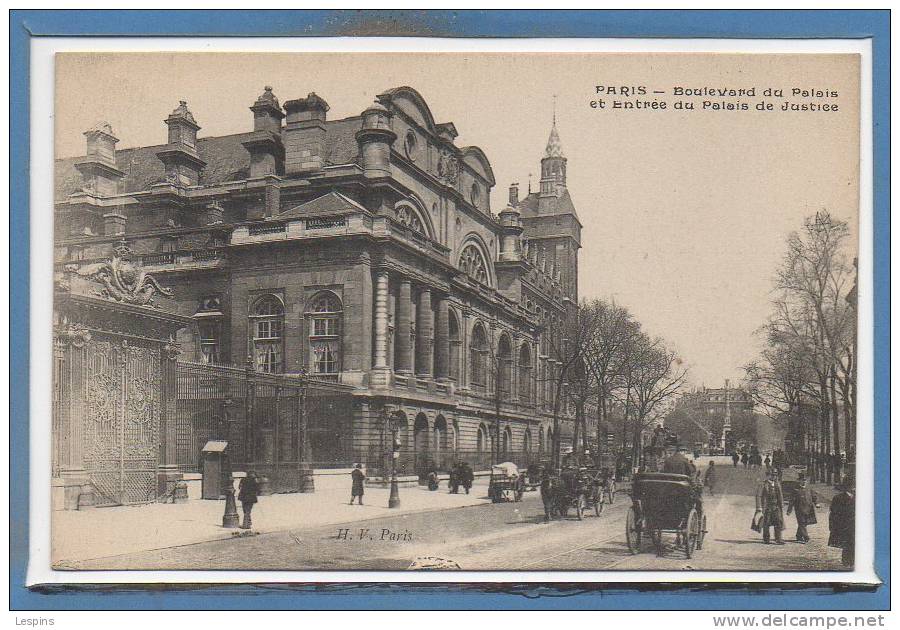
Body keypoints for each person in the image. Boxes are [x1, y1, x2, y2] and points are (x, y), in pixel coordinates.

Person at [829, 479, 855, 567]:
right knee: (847, 544)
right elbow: (833, 513)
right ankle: (847, 561)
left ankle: (852, 561)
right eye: (852, 486)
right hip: (844, 526)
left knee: (854, 543)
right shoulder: (838, 498)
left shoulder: (859, 497)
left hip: (855, 525)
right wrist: (833, 527)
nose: (854, 489)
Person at [786, 473, 818, 543]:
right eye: (802, 480)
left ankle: (799, 535)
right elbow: (791, 501)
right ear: (799, 481)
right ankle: (806, 537)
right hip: (799, 509)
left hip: (808, 509)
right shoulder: (795, 490)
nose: (804, 482)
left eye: (805, 480)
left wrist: (816, 504)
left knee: (804, 523)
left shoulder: (808, 489)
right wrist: (789, 510)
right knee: (802, 523)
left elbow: (813, 497)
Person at [754, 471, 785, 544]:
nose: (774, 477)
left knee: (778, 522)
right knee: (766, 523)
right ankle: (766, 539)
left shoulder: (777, 484)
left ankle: (778, 539)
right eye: (772, 475)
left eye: (775, 475)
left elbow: (780, 496)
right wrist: (759, 507)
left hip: (776, 506)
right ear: (768, 475)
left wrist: (781, 505)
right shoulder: (763, 484)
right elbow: (758, 496)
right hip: (767, 507)